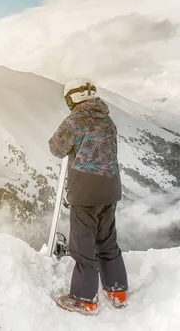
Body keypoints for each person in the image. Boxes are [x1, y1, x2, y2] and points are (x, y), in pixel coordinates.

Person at [48, 77, 128, 315]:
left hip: (85, 192)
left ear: (73, 98)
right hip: (110, 189)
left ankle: (84, 299)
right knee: (107, 241)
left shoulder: (75, 121)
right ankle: (117, 290)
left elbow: (56, 148)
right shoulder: (108, 119)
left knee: (83, 246)